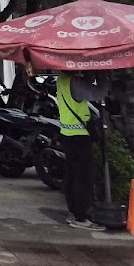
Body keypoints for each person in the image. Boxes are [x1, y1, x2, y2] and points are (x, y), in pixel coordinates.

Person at [55, 71, 109, 231]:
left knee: (72, 177)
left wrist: (91, 74)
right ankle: (81, 217)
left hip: (67, 134)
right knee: (84, 178)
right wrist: (104, 77)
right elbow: (97, 94)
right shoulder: (75, 83)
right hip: (79, 137)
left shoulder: (62, 80)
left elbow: (84, 84)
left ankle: (73, 212)